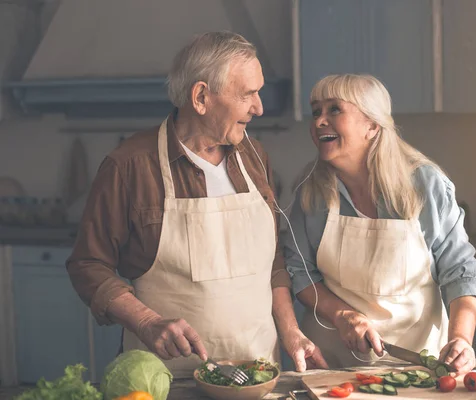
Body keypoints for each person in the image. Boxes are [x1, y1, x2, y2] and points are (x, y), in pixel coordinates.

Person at [66, 31, 327, 378]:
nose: (259, 107)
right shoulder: (130, 166)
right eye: (247, 94)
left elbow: (272, 263)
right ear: (201, 97)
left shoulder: (254, 155)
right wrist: (147, 323)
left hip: (259, 376)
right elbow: (88, 264)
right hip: (169, 380)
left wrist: (291, 331)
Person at [283, 74, 476, 373]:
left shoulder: (425, 185)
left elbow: (460, 271)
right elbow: (300, 273)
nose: (319, 121)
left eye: (334, 109)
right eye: (316, 112)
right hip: (332, 364)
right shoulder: (310, 193)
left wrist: (461, 340)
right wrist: (343, 315)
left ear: (372, 125)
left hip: (417, 361)